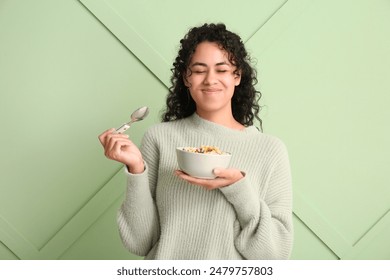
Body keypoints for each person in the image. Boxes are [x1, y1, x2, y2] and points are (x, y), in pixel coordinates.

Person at [98, 23, 293, 260]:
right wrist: (136, 169)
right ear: (186, 78)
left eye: (221, 70)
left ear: (237, 76)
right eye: (199, 70)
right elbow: (140, 242)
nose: (210, 80)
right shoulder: (159, 138)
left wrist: (238, 188)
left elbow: (275, 254)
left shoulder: (270, 150)